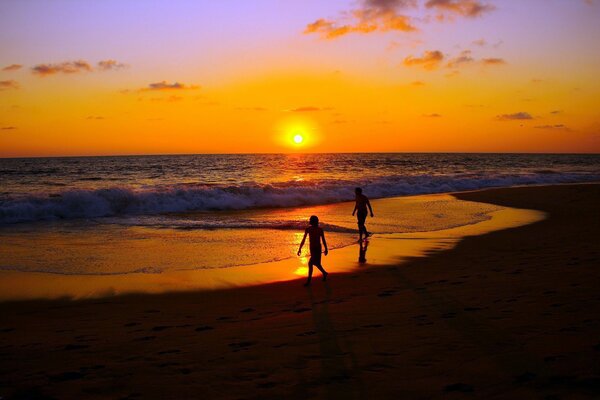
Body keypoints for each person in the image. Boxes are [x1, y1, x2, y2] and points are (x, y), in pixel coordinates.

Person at [297, 215, 329, 286]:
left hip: (317, 249)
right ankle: (324, 273)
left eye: (311, 220)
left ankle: (309, 281)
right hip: (312, 248)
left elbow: (323, 240)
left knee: (311, 263)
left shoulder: (319, 230)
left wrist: (326, 249)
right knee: (317, 263)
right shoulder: (308, 229)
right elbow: (304, 239)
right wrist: (300, 248)